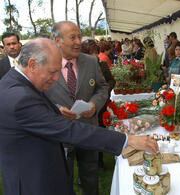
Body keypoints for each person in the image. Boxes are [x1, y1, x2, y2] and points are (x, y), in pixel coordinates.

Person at [0, 37, 158, 195]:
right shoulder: (20, 98)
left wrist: (54, 110)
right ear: (32, 65)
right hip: (35, 183)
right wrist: (127, 140)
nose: (56, 78)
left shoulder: (17, 83)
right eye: (53, 71)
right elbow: (69, 131)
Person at [44, 21, 106, 195]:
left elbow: (102, 87)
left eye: (79, 36)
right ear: (57, 41)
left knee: (90, 176)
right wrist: (56, 109)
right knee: (62, 179)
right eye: (73, 37)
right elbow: (37, 96)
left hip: (88, 130)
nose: (79, 41)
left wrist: (94, 104)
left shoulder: (92, 61)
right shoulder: (44, 64)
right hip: (59, 134)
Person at [81, 39, 116, 169]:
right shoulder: (79, 69)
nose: (94, 55)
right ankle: (85, 166)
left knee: (99, 132)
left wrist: (103, 93)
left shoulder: (102, 65)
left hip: (100, 106)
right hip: (84, 107)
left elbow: (111, 81)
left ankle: (99, 160)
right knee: (85, 135)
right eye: (90, 53)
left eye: (95, 52)